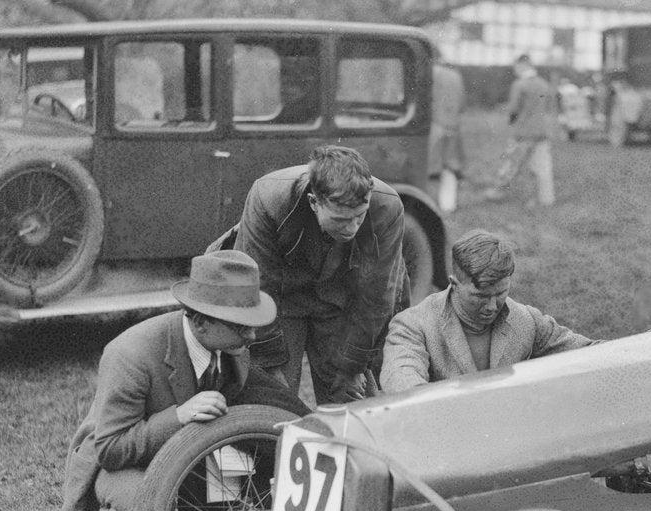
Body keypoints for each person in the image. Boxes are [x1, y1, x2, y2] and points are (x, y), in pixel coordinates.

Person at [60, 250, 308, 511]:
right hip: (131, 457)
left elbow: (261, 402)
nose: (252, 335)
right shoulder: (130, 355)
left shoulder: (231, 346)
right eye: (241, 326)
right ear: (200, 322)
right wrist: (179, 416)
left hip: (198, 445)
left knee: (241, 463)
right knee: (137, 499)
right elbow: (111, 448)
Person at [231, 144, 407, 405]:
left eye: (359, 216)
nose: (352, 228)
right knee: (272, 399)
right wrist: (270, 366)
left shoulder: (387, 206)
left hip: (342, 297)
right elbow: (257, 288)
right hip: (282, 299)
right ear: (314, 202)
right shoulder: (268, 197)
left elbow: (377, 297)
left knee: (353, 402)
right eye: (340, 219)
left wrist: (353, 366)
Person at [380, 229, 593, 391]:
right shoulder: (413, 325)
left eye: (501, 294)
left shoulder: (527, 320)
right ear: (454, 284)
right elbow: (401, 381)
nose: (492, 307)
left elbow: (592, 353)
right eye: (480, 297)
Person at [483, 54, 556, 208]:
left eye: (516, 67)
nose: (515, 70)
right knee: (542, 167)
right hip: (541, 131)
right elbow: (548, 107)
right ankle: (546, 199)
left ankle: (498, 191)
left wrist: (511, 120)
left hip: (523, 132)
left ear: (522, 66)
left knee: (510, 164)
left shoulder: (519, 84)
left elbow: (514, 109)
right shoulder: (544, 84)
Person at [429, 50, 467, 213]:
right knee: (450, 165)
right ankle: (448, 204)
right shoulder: (456, 76)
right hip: (453, 124)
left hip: (434, 124)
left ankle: (430, 204)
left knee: (430, 166)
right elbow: (462, 103)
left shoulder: (431, 74)